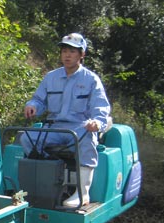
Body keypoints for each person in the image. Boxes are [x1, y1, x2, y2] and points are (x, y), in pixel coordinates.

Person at [21, 32, 111, 208]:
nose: (67, 55)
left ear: (82, 54)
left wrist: (97, 123)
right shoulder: (51, 77)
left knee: (86, 140)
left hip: (79, 128)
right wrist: (32, 105)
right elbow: (38, 100)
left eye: (72, 51)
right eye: (64, 51)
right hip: (55, 128)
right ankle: (50, 179)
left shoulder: (91, 79)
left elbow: (101, 108)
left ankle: (82, 193)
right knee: (27, 138)